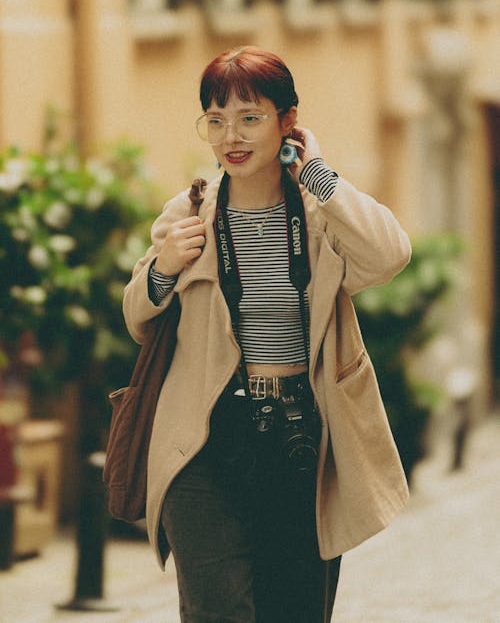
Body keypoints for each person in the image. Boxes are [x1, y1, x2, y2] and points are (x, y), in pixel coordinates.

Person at [123, 46, 412, 622]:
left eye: (250, 117)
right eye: (216, 118)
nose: (231, 134)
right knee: (216, 609)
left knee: (296, 608)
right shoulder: (190, 210)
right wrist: (162, 268)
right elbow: (136, 315)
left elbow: (387, 255)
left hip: (301, 436)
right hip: (204, 437)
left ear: (288, 122)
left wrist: (319, 175)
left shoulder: (317, 215)